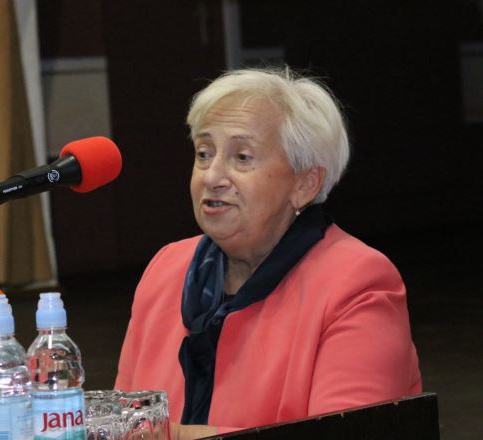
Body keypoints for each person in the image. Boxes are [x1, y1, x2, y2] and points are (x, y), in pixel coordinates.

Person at [114, 67, 421, 440]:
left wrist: (172, 436)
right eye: (203, 153)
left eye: (242, 157)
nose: (211, 176)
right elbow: (122, 421)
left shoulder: (356, 284)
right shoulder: (167, 269)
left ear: (305, 183)